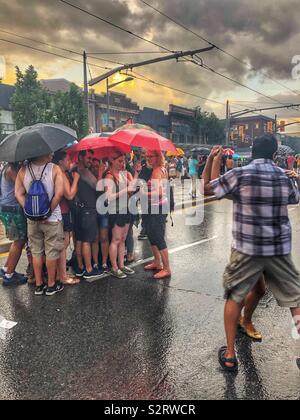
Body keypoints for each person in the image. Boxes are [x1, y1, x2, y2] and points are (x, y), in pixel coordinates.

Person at [203, 134, 300, 372]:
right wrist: (293, 177)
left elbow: (211, 188)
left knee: (234, 296)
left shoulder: (241, 174)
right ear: (274, 153)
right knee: (296, 300)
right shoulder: (282, 177)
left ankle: (229, 355)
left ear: (252, 151)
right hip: (278, 249)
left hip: (247, 248)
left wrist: (213, 159)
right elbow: (295, 197)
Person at [15, 154, 65, 296]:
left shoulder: (23, 170)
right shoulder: (54, 169)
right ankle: (51, 285)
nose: (53, 154)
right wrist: (47, 212)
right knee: (51, 251)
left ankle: (38, 285)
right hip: (52, 218)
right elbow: (59, 193)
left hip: (32, 220)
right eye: (50, 152)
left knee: (36, 251)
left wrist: (30, 210)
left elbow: (18, 193)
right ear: (46, 153)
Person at [104, 151, 139, 279]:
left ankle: (121, 264)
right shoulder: (109, 176)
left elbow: (131, 190)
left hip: (126, 209)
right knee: (116, 239)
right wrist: (125, 190)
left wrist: (136, 175)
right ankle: (114, 267)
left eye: (123, 161)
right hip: (116, 211)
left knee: (123, 239)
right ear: (112, 161)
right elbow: (108, 197)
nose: (122, 163)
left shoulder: (123, 175)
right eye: (119, 161)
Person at [74, 150, 104, 280]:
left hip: (80, 210)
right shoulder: (84, 171)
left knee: (80, 240)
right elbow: (99, 187)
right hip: (88, 210)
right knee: (87, 240)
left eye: (92, 159)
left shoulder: (73, 169)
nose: (90, 161)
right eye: (89, 158)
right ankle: (88, 269)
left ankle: (80, 267)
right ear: (80, 157)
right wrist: (101, 172)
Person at [53, 151, 80, 286]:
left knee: (63, 243)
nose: (69, 162)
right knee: (63, 244)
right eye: (67, 160)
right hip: (62, 212)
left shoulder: (60, 173)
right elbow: (69, 195)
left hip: (63, 212)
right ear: (60, 162)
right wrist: (75, 179)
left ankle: (60, 273)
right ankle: (62, 275)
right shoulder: (61, 174)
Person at [143, 150, 171, 280]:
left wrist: (142, 193)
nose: (148, 158)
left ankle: (166, 268)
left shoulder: (156, 172)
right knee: (151, 234)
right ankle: (157, 262)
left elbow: (158, 193)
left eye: (151, 156)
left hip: (158, 207)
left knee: (158, 236)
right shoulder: (161, 169)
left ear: (158, 157)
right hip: (158, 206)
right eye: (147, 156)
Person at [0, 163, 28, 286]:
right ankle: (9, 275)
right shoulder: (11, 170)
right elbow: (23, 186)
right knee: (19, 241)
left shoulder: (8, 167)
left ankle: (7, 268)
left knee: (17, 240)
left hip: (8, 208)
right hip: (12, 210)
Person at [138, 149, 153, 241]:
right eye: (142, 153)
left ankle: (147, 228)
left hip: (151, 191)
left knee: (150, 210)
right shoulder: (141, 163)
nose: (143, 155)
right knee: (144, 209)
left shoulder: (152, 164)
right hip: (142, 190)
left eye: (145, 153)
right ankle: (144, 227)